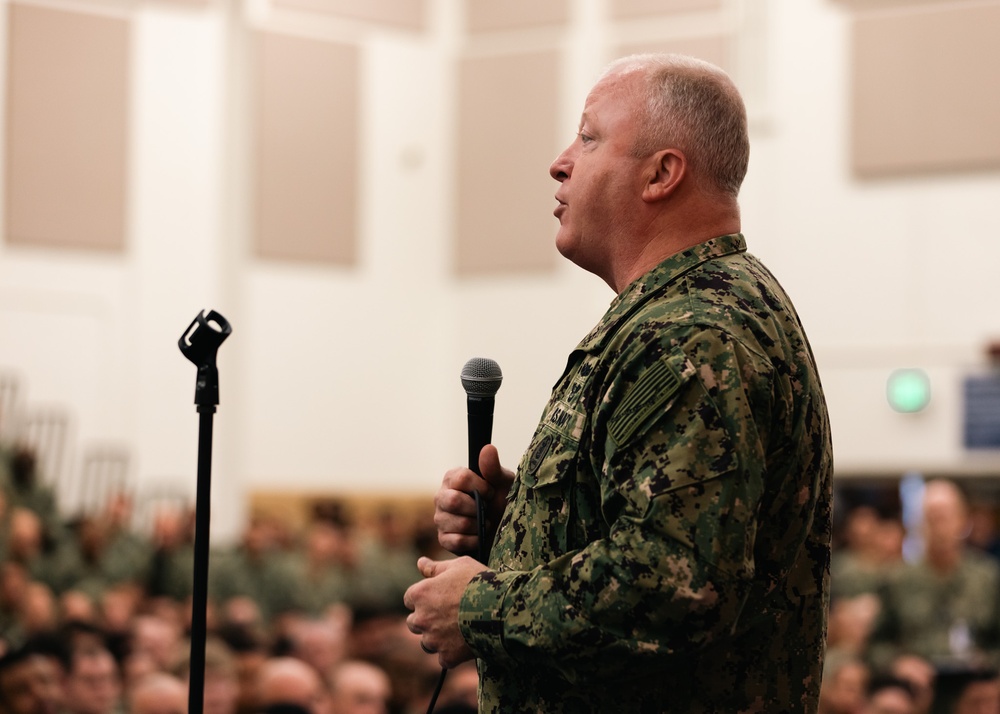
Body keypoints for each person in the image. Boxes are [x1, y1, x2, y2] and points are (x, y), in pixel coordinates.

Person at [404, 52, 833, 712]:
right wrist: (518, 527)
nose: (560, 161)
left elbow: (674, 589)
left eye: (589, 136)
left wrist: (482, 606)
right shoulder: (692, 310)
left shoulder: (691, 331)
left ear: (662, 173)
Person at [869, 480, 1000, 669]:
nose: (940, 528)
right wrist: (899, 663)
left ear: (963, 520)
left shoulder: (988, 578)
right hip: (918, 687)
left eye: (945, 517)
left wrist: (987, 663)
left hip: (974, 684)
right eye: (932, 518)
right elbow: (876, 646)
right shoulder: (897, 580)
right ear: (920, 524)